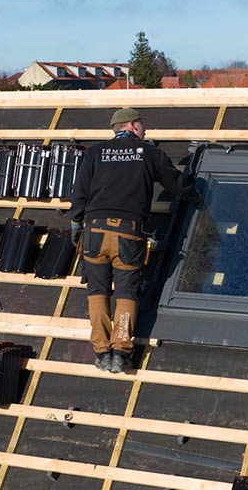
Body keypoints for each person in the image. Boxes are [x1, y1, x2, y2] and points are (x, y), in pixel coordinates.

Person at [70, 107, 198, 373]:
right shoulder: (149, 154)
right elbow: (178, 186)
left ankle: (102, 351)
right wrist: (198, 193)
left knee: (97, 292)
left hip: (93, 233)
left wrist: (75, 222)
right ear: (131, 125)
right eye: (142, 124)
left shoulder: (95, 153)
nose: (145, 130)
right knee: (127, 293)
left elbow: (79, 192)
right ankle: (120, 351)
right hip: (128, 234)